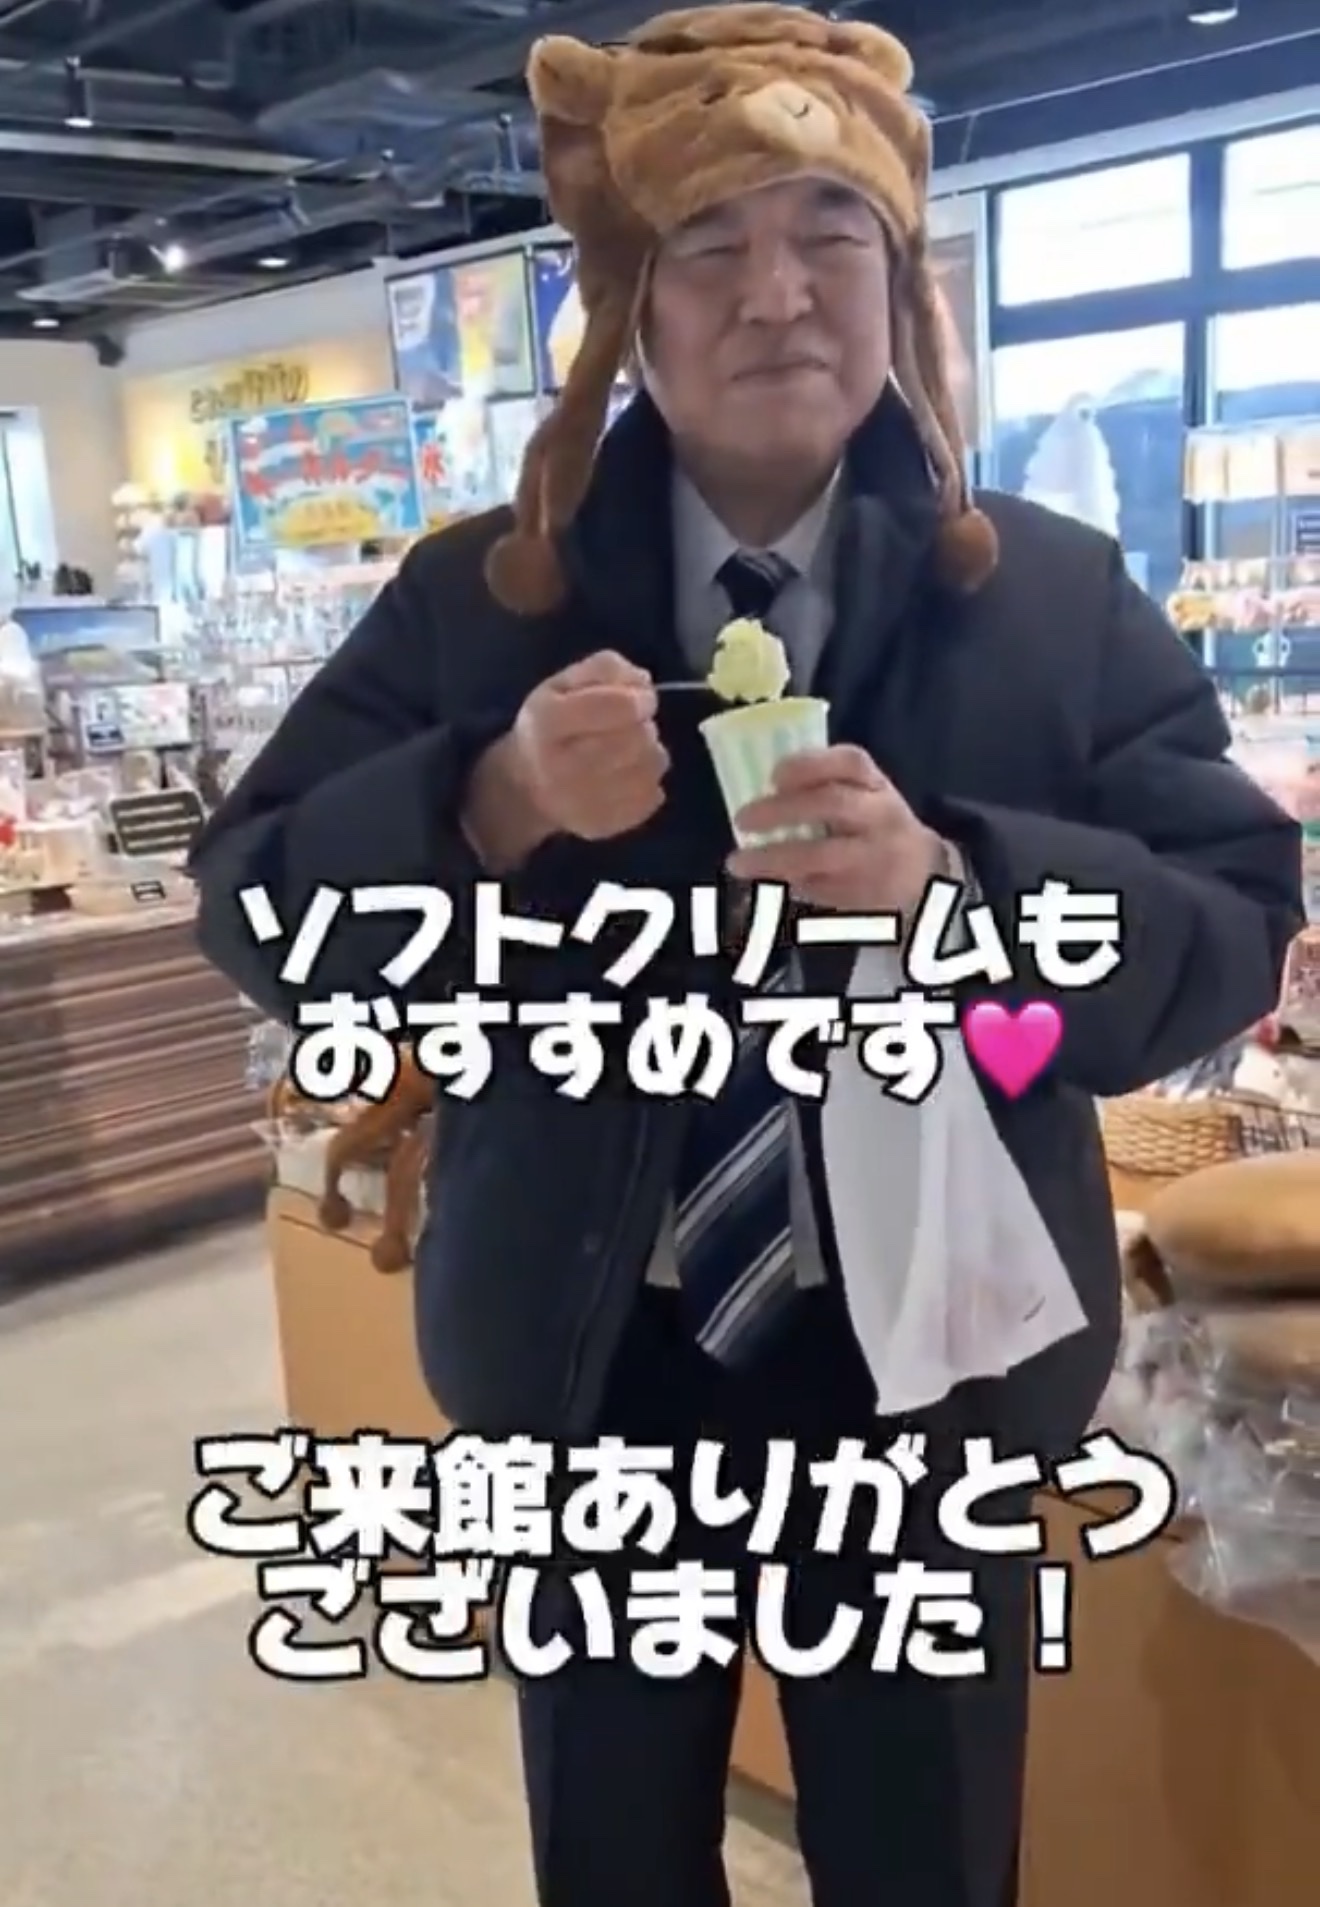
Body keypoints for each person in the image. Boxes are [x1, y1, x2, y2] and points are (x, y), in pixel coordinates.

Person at [190, 8, 1304, 1905]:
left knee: (928, 1860)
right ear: (628, 304)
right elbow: (258, 908)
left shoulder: (1048, 596)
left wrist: (963, 888)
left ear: (900, 281)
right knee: (615, 1859)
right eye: (709, 245)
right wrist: (485, 803)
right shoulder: (482, 599)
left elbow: (1231, 922)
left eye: (828, 234)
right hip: (590, 1356)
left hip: (934, 1373)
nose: (777, 294)